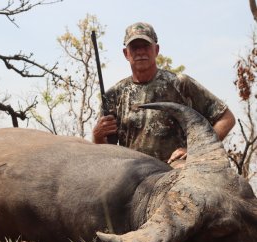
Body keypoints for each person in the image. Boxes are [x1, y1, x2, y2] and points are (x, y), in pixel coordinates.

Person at [92, 22, 235, 165]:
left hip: (173, 170)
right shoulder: (113, 95)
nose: (141, 52)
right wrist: (97, 136)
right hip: (132, 173)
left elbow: (226, 118)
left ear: (156, 50)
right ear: (126, 53)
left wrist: (196, 150)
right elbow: (105, 151)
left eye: (146, 46)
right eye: (135, 47)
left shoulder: (180, 83)